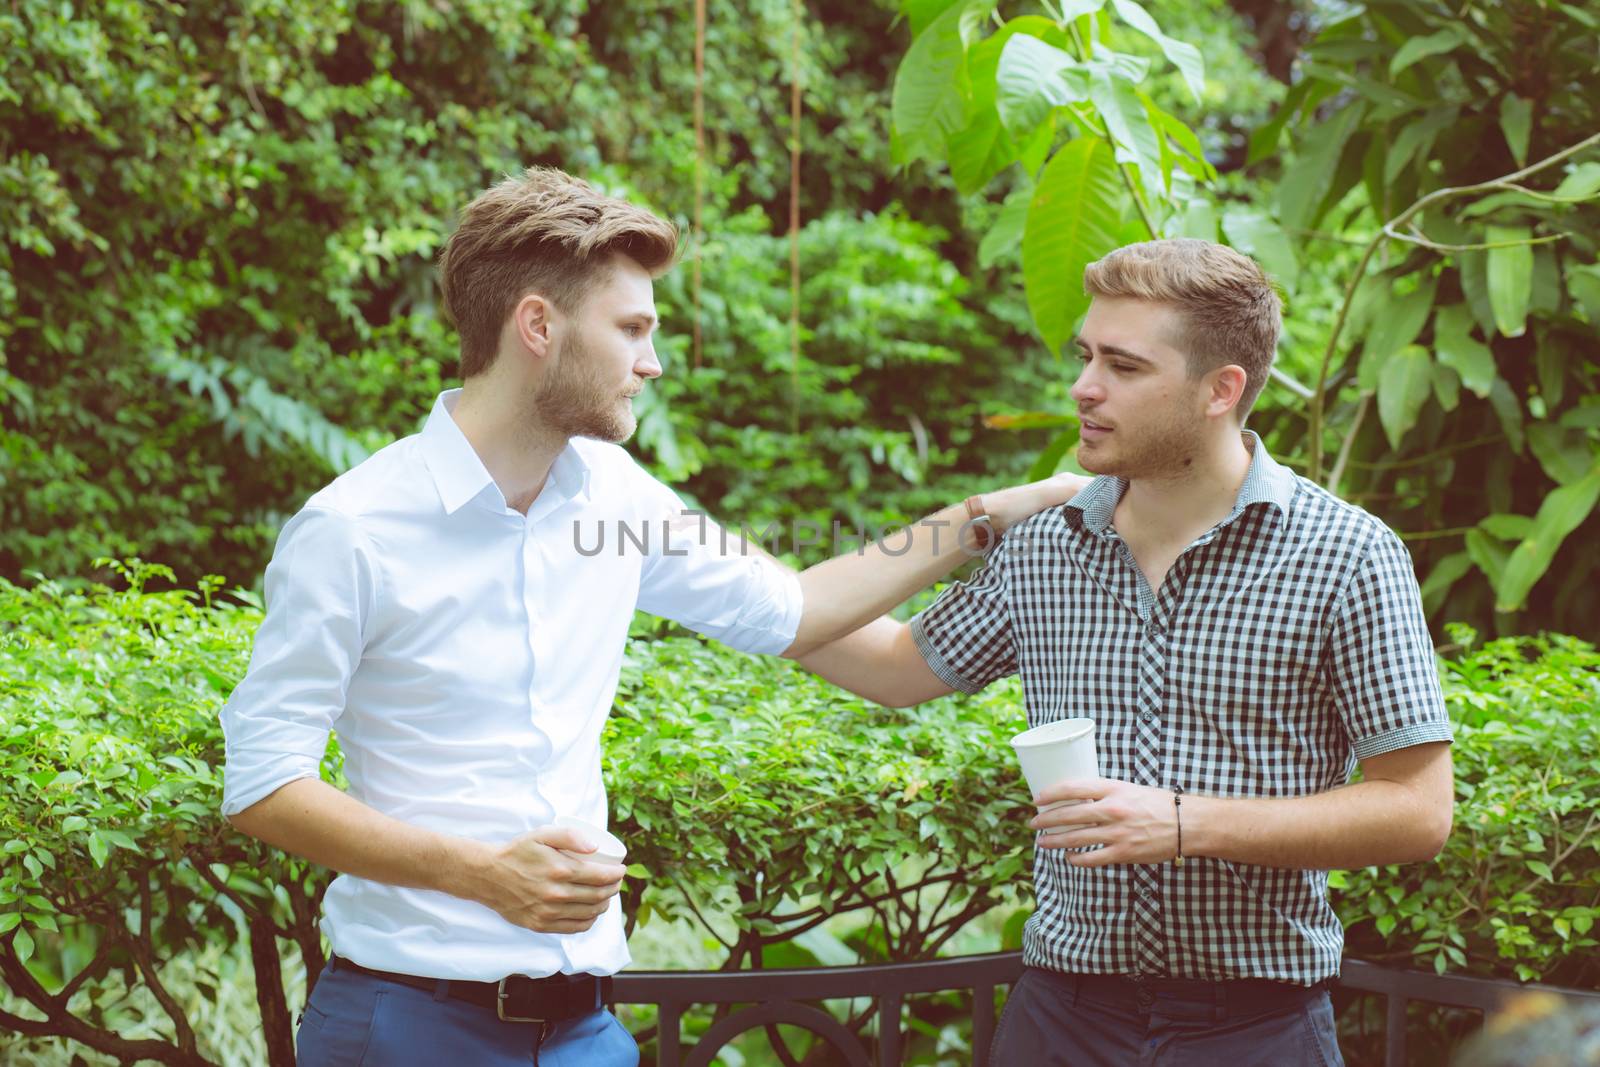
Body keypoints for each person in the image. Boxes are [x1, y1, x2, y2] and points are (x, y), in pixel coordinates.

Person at [219, 166, 1086, 1066]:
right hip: (406, 1025)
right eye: (632, 329)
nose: (652, 362)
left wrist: (989, 515)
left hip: (589, 1028)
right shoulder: (353, 529)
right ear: (539, 326)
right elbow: (262, 780)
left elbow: (796, 608)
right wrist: (477, 874)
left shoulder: (613, 497)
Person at [797, 239, 1456, 1066]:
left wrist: (1183, 822)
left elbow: (1419, 809)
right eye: (1086, 356)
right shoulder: (1045, 544)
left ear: (1221, 390)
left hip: (1257, 1029)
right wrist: (979, 515)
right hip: (1059, 1016)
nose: (1084, 386)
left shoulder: (1347, 554)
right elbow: (885, 664)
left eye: (1124, 365)